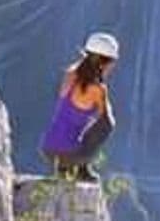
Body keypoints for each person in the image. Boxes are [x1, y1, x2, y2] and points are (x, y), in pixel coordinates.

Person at [40, 32, 119, 181]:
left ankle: (69, 167)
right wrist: (103, 87)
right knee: (107, 124)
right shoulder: (98, 89)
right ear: (105, 63)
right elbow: (106, 119)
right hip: (68, 155)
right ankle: (81, 167)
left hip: (48, 149)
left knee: (75, 123)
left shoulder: (70, 74)